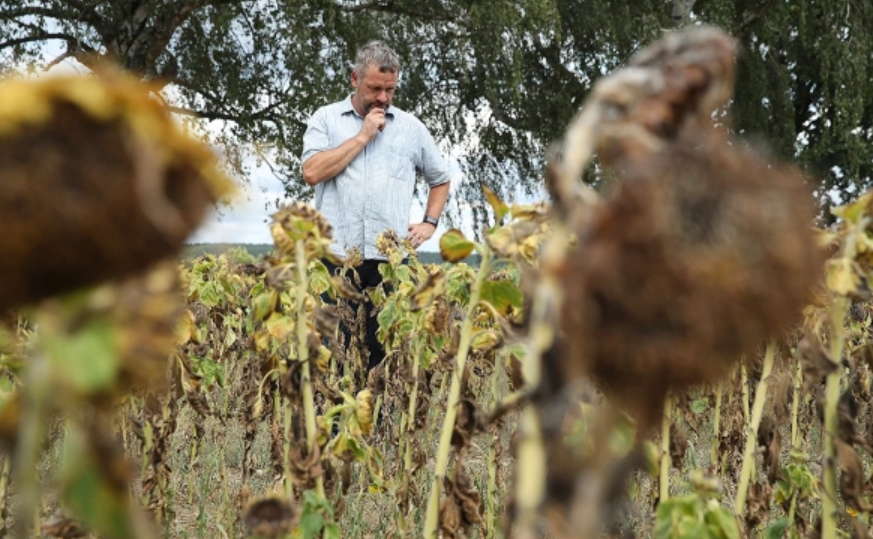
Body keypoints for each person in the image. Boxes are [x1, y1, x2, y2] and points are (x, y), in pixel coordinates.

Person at [301, 40, 452, 372]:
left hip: (388, 263)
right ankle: (336, 424)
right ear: (354, 79)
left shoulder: (412, 129)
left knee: (382, 356)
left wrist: (429, 222)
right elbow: (312, 172)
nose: (383, 98)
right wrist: (362, 137)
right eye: (374, 88)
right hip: (334, 260)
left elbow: (440, 179)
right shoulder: (325, 119)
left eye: (390, 90)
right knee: (331, 353)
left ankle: (378, 424)